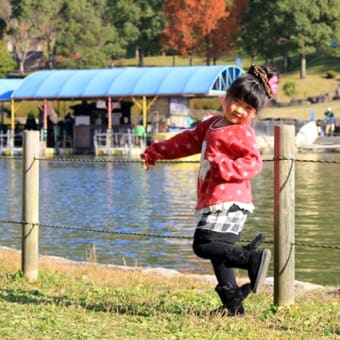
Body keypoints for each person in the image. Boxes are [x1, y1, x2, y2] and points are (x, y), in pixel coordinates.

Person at [140, 64, 279, 317]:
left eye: (248, 108)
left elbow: (254, 162)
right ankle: (234, 309)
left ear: (254, 113)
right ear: (225, 97)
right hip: (216, 197)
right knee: (220, 258)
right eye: (236, 101)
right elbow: (184, 142)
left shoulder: (242, 132)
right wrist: (155, 152)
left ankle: (250, 260)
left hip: (229, 199)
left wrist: (224, 167)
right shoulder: (212, 124)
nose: (239, 110)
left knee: (202, 245)